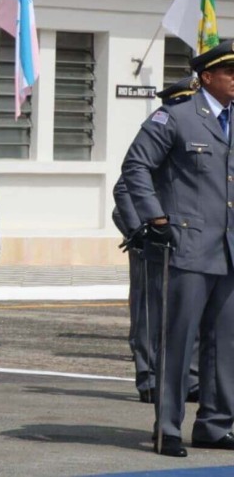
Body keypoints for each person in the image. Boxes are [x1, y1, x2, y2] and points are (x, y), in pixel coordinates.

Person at [122, 39, 234, 457]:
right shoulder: (176, 117)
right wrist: (156, 218)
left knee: (225, 343)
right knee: (178, 341)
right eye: (230, 73)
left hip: (228, 249)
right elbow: (136, 166)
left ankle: (215, 423)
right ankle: (167, 426)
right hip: (187, 245)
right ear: (207, 77)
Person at [115, 76, 200, 406]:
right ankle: (148, 376)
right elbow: (124, 188)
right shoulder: (159, 137)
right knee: (149, 313)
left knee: (189, 310)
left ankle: (190, 378)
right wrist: (141, 230)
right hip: (151, 240)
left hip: (187, 240)